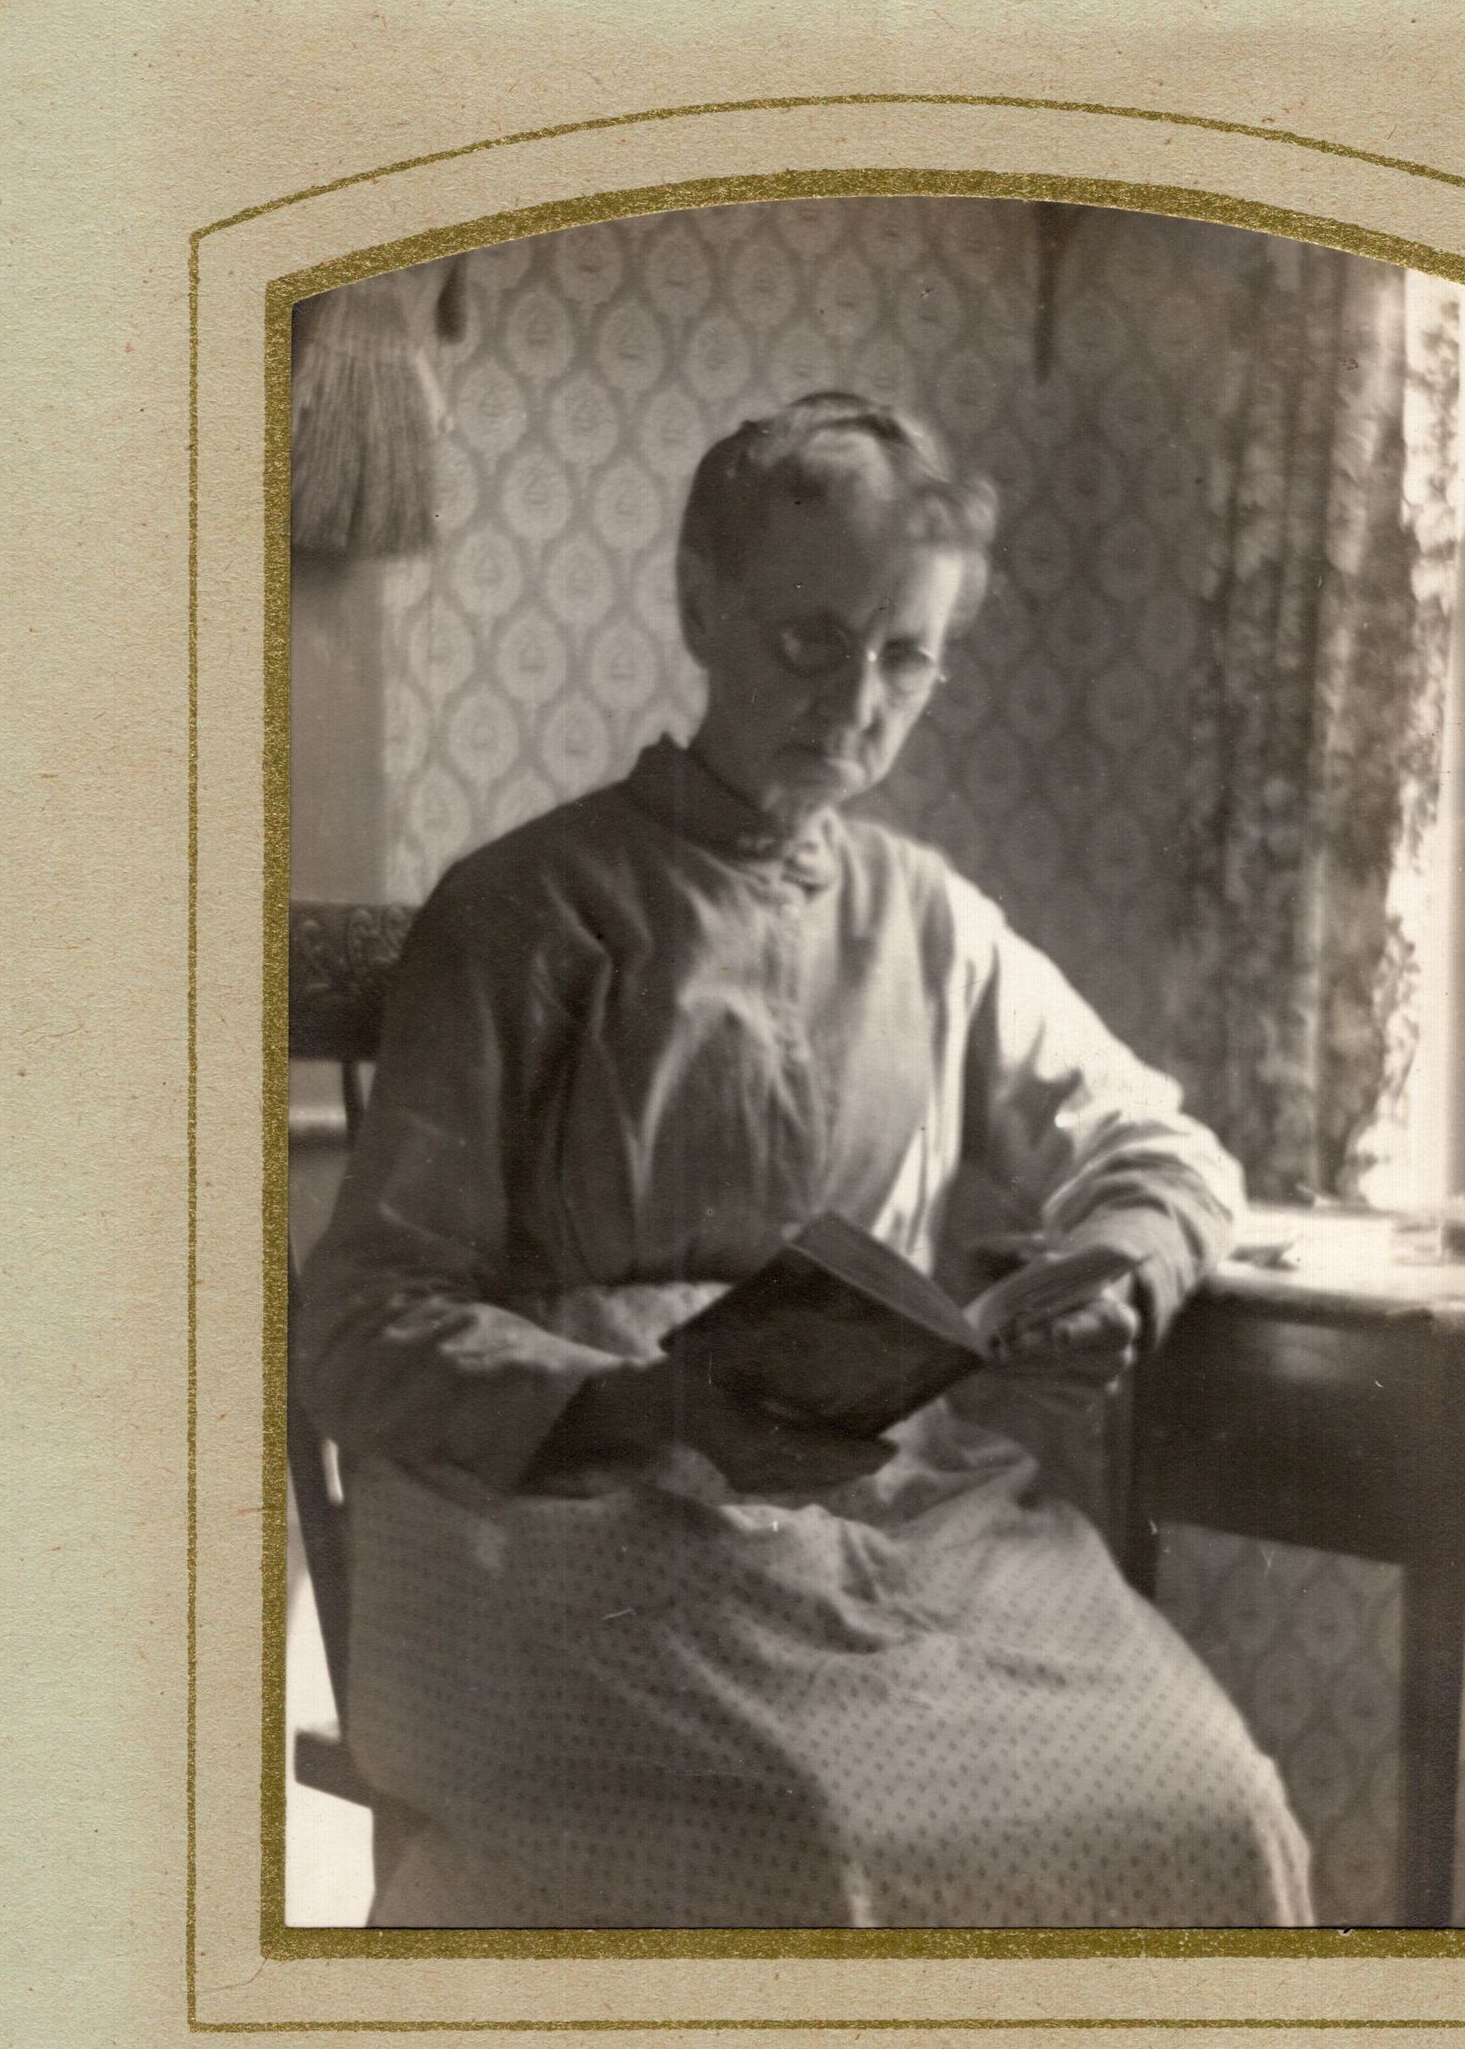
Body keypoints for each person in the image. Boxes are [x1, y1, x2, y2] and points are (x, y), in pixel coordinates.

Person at [297, 390, 1314, 1929]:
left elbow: (1157, 1142)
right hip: (560, 1519)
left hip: (895, 1507)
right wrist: (637, 1405)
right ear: (701, 605)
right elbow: (364, 1319)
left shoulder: (929, 919)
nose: (854, 704)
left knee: (1214, 1804)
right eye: (809, 642)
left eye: (906, 657)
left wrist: (1115, 1273)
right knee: (810, 1837)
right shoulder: (526, 911)